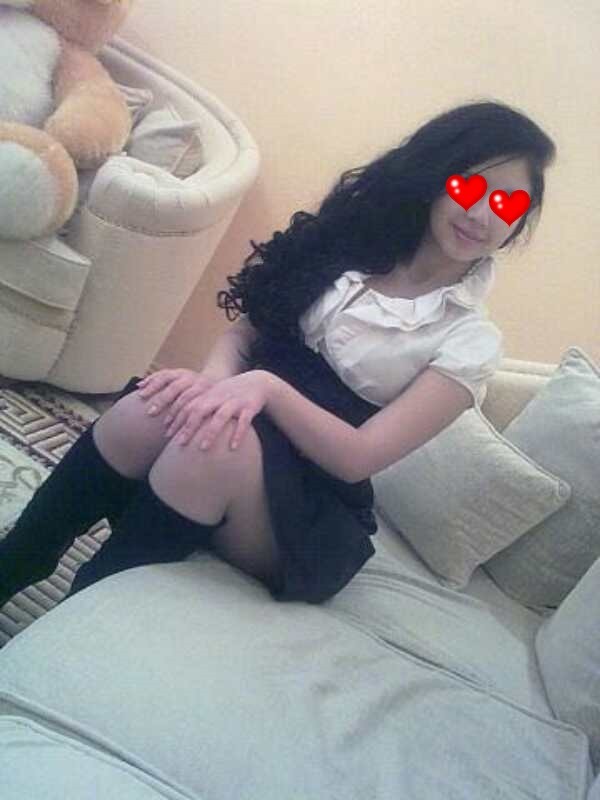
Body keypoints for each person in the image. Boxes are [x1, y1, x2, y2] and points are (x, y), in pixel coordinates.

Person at [0, 100, 556, 611]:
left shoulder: (470, 340)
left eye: (507, 203)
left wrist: (265, 388)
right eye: (469, 187)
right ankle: (17, 562)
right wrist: (213, 381)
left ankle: (82, 612)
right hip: (245, 426)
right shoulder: (353, 242)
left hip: (311, 505)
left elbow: (358, 457)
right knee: (149, 406)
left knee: (209, 444)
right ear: (436, 176)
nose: (482, 214)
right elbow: (246, 333)